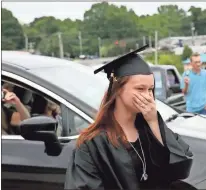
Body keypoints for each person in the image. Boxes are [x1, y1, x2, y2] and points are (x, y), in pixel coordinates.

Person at [64, 45, 194, 190]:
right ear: (118, 89)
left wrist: (153, 121)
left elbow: (180, 168)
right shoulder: (92, 144)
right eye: (140, 89)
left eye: (150, 89)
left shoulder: (151, 130)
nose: (147, 96)